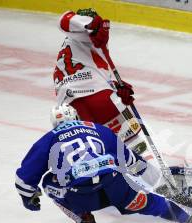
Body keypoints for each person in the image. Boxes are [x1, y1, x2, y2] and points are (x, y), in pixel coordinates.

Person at [15, 104, 192, 223]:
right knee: (151, 202)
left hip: (80, 194)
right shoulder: (98, 129)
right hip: (114, 186)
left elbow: (24, 179)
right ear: (76, 116)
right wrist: (157, 183)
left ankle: (85, 220)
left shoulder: (49, 138)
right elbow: (131, 160)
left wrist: (29, 199)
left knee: (49, 184)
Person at [53, 8, 146, 155]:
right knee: (134, 147)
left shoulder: (69, 45)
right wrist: (92, 24)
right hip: (98, 98)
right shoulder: (89, 36)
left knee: (95, 154)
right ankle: (143, 173)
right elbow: (63, 20)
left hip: (69, 108)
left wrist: (116, 87)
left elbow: (89, 72)